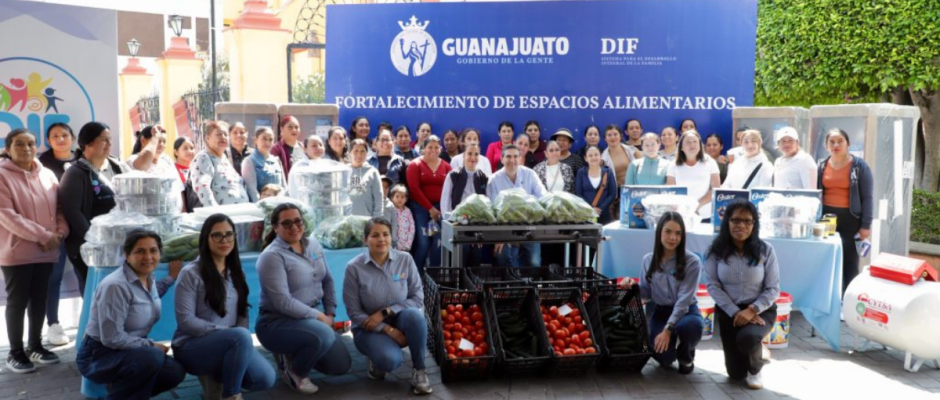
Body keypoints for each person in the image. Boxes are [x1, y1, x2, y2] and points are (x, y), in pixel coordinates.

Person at [172, 214, 275, 399]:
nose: (224, 240)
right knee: (239, 336)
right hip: (191, 346)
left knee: (265, 378)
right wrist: (226, 333)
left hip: (231, 341)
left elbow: (242, 311)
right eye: (217, 235)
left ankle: (221, 374)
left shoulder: (237, 271)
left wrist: (237, 342)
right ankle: (231, 394)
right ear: (206, 238)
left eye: (229, 234)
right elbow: (185, 321)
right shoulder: (191, 273)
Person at [76, 230, 186, 400]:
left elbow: (151, 296)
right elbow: (111, 338)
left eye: (153, 250)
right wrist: (149, 345)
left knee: (174, 372)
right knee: (152, 357)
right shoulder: (116, 286)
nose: (148, 257)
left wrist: (171, 277)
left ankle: (122, 390)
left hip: (128, 351)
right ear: (127, 255)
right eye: (140, 251)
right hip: (99, 354)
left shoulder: (148, 278)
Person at [256, 204, 352, 394]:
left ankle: (296, 350)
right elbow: (282, 302)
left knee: (340, 365)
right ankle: (294, 372)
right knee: (322, 335)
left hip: (311, 319)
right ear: (275, 227)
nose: (294, 226)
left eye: (298, 221)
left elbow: (327, 280)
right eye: (286, 223)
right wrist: (319, 317)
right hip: (276, 322)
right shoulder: (271, 257)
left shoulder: (313, 244)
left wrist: (330, 312)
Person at [0, 128, 68, 372]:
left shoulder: (48, 174)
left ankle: (35, 346)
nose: (26, 149)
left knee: (40, 299)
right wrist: (44, 235)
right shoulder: (1, 175)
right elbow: (6, 215)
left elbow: (61, 208)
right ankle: (15, 353)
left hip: (47, 250)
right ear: (8, 149)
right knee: (18, 302)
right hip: (17, 252)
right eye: (19, 144)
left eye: (30, 144)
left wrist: (60, 232)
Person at [343, 217, 432, 395]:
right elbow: (354, 312)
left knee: (415, 316)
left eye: (385, 234)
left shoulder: (405, 259)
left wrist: (386, 312)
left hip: (399, 319)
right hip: (367, 327)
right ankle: (376, 359)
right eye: (375, 235)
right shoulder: (354, 268)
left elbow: (417, 297)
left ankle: (420, 371)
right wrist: (387, 329)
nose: (381, 239)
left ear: (392, 237)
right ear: (365, 239)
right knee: (390, 361)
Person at [704, 200, 780, 390]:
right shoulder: (715, 251)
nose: (741, 225)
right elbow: (712, 286)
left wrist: (752, 310)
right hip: (730, 312)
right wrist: (735, 312)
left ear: (754, 224)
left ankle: (756, 369)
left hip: (760, 311)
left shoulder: (766, 250)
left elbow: (773, 288)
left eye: (748, 221)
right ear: (727, 222)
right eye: (736, 220)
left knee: (746, 339)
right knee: (735, 374)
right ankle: (756, 347)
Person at [620, 212, 703, 374]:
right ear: (659, 233)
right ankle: (670, 353)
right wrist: (632, 285)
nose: (673, 237)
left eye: (678, 233)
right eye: (668, 231)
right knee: (663, 359)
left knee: (691, 327)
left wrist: (668, 330)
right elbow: (645, 293)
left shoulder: (692, 261)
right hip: (661, 311)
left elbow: (684, 300)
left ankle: (686, 356)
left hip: (686, 311)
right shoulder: (648, 259)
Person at [60, 122, 130, 297]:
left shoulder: (117, 166)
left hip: (117, 244)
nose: (109, 144)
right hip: (90, 246)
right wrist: (95, 240)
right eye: (103, 140)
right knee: (94, 292)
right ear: (87, 144)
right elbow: (72, 211)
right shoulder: (75, 172)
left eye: (110, 139)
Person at [817, 128, 873, 292]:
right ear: (826, 145)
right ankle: (829, 298)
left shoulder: (859, 166)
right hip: (827, 217)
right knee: (827, 258)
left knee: (849, 260)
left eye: (840, 141)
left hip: (851, 218)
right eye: (831, 142)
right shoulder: (821, 165)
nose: (836, 145)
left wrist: (865, 225)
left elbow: (868, 197)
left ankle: (847, 300)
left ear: (848, 144)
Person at [37, 122, 77, 346]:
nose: (61, 139)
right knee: (53, 278)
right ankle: (53, 324)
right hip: (55, 230)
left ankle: (92, 322)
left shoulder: (83, 159)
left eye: (64, 135)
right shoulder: (41, 163)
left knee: (85, 275)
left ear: (72, 138)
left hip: (81, 228)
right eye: (55, 136)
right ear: (49, 141)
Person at [487, 145, 546, 268]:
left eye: (515, 156)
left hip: (530, 228)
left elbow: (543, 198)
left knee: (535, 263)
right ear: (502, 159)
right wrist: (499, 237)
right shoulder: (493, 180)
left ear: (520, 158)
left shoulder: (530, 174)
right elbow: (492, 211)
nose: (512, 160)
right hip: (505, 231)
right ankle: (511, 286)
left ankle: (529, 286)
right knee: (503, 259)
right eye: (508, 156)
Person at [406, 136, 451, 275]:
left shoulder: (446, 166)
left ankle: (434, 278)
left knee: (438, 243)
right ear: (423, 148)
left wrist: (440, 210)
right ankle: (417, 277)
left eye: (436, 147)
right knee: (424, 243)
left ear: (440, 149)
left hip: (440, 210)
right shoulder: (415, 165)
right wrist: (430, 208)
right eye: (430, 147)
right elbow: (414, 188)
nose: (433, 150)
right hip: (421, 210)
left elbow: (450, 189)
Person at [439, 143, 488, 265]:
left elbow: (486, 204)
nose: (473, 157)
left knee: (476, 255)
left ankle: (472, 283)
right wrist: (452, 226)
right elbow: (445, 203)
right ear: (463, 156)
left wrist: (479, 229)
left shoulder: (484, 177)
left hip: (476, 225)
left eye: (476, 154)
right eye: (469, 154)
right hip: (457, 224)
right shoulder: (453, 175)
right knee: (462, 252)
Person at [190, 121, 249, 206]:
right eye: (218, 134)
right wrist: (215, 212)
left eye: (226, 134)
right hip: (222, 216)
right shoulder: (203, 157)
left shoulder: (224, 159)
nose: (223, 137)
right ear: (207, 138)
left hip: (239, 214)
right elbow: (202, 187)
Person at [666, 130, 720, 218]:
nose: (692, 145)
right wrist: (685, 207)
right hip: (682, 214)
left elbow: (715, 188)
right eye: (688, 142)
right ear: (681, 147)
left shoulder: (710, 162)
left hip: (706, 214)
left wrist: (696, 206)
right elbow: (671, 190)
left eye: (695, 141)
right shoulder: (673, 165)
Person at [574, 146, 618, 226]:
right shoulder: (581, 173)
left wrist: (600, 208)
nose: (593, 157)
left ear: (601, 156)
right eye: (590, 155)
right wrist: (590, 208)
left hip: (605, 214)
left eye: (596, 155)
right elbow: (578, 194)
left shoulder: (608, 172)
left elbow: (612, 193)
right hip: (586, 214)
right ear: (585, 158)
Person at [241, 127, 286, 202]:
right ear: (256, 140)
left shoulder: (276, 160)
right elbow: (252, 190)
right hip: (260, 205)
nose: (267, 142)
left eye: (270, 139)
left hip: (278, 204)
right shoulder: (249, 161)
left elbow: (284, 187)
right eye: (264, 139)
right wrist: (262, 207)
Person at [349, 139, 385, 218]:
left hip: (367, 219)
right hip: (347, 219)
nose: (359, 154)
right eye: (356, 151)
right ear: (350, 152)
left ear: (366, 153)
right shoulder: (344, 171)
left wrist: (377, 218)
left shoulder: (373, 172)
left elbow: (378, 197)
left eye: (362, 151)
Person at [601, 124, 636, 189]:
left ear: (620, 136)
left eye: (615, 134)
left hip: (633, 189)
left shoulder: (633, 151)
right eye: (609, 135)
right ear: (605, 139)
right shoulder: (603, 158)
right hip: (616, 193)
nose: (612, 137)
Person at [385, 184, 415, 252]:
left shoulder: (408, 211)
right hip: (394, 245)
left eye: (402, 197)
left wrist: (409, 243)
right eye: (397, 196)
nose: (400, 199)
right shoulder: (391, 209)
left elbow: (412, 228)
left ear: (406, 199)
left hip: (406, 245)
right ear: (392, 197)